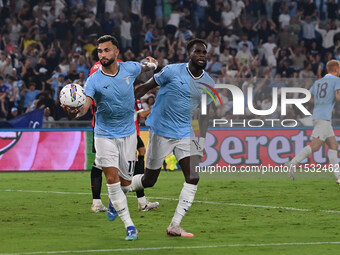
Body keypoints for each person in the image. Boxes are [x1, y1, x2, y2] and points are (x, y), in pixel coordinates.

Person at [64, 35, 158, 241]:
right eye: (99, 51)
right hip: (104, 134)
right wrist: (75, 113)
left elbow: (144, 66)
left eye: (106, 50)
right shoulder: (94, 79)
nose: (103, 54)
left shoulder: (129, 68)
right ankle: (130, 226)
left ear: (116, 52)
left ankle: (116, 204)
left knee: (125, 184)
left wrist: (153, 63)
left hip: (128, 134)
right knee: (112, 179)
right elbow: (86, 106)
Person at [130, 39, 215, 237]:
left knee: (193, 176)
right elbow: (145, 88)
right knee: (149, 180)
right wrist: (124, 98)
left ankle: (174, 225)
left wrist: (201, 141)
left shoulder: (208, 83)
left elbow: (204, 114)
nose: (202, 55)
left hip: (184, 132)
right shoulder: (171, 71)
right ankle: (121, 189)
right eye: (198, 52)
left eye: (204, 52)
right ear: (189, 54)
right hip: (160, 129)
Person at [89, 61, 159, 213]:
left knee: (139, 153)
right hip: (106, 131)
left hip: (127, 132)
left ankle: (139, 200)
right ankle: (102, 200)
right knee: (100, 164)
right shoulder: (99, 83)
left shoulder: (126, 86)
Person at [285, 60, 340, 182]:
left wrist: (321, 101)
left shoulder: (318, 82)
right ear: (336, 70)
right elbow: (338, 97)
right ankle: (292, 163)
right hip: (324, 118)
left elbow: (308, 97)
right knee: (315, 146)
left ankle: (338, 177)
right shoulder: (337, 80)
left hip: (318, 116)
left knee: (333, 145)